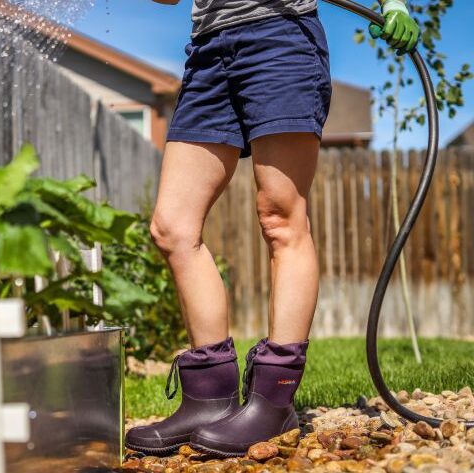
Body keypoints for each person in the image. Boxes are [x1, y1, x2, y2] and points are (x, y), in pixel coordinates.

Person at [126, 0, 420, 457]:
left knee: (281, 219)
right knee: (172, 227)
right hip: (208, 48)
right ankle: (209, 396)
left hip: (280, 38)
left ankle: (273, 399)